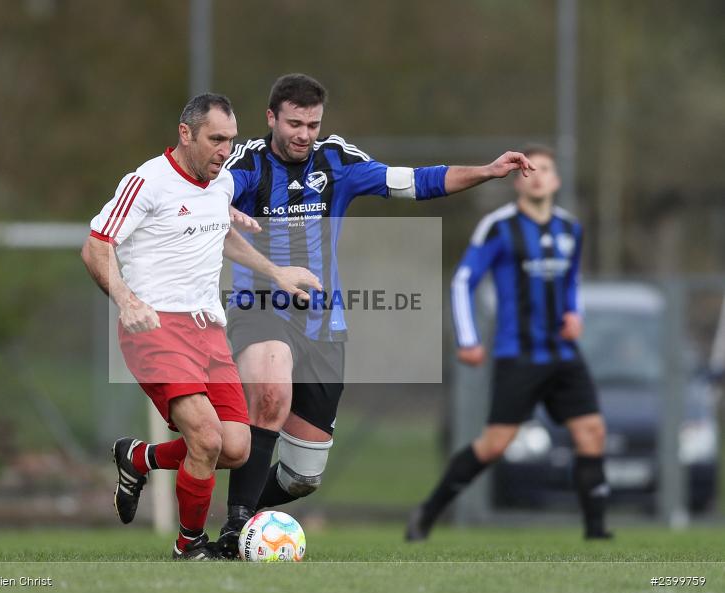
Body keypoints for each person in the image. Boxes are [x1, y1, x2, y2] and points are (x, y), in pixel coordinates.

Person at [213, 73, 537, 558]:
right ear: (271, 118)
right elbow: (205, 192)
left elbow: (413, 182)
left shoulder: (336, 160)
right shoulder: (246, 164)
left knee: (302, 477)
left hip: (323, 325)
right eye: (295, 123)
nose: (304, 134)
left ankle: (236, 511)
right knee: (271, 393)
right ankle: (233, 532)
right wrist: (221, 206)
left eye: (313, 124)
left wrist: (487, 171)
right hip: (258, 307)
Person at [81, 93, 320, 560]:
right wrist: (126, 300)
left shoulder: (221, 182)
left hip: (208, 329)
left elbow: (219, 230)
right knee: (206, 439)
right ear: (185, 133)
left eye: (230, 140)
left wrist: (276, 273)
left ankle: (139, 458)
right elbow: (95, 247)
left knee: (235, 448)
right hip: (154, 328)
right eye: (215, 139)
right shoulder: (147, 182)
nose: (224, 150)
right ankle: (189, 547)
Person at [405, 144, 612, 541]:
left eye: (546, 169)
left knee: (592, 433)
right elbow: (463, 281)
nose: (537, 175)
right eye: (529, 170)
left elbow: (572, 283)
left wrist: (576, 315)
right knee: (495, 445)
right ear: (518, 180)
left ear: (557, 180)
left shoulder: (571, 229)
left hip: (564, 355)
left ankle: (597, 534)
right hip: (518, 354)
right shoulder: (499, 227)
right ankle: (428, 513)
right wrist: (468, 339)